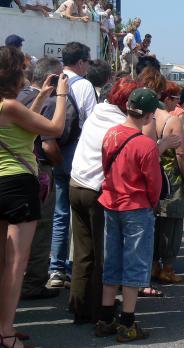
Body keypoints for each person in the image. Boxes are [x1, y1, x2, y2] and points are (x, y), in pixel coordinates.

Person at [0, 45, 68, 348]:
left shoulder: (9, 108)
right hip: (17, 185)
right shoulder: (10, 106)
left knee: (2, 260)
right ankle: (6, 332)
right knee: (16, 263)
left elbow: (23, 122)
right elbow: (56, 127)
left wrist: (42, 94)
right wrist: (62, 95)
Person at [95, 88, 162, 342]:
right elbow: (153, 184)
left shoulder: (111, 133)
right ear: (148, 115)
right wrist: (152, 204)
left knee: (112, 260)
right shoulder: (146, 144)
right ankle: (127, 321)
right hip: (136, 206)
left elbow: (105, 166)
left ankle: (105, 317)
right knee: (135, 264)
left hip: (111, 202)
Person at [68, 77, 134, 324]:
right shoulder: (120, 124)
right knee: (102, 255)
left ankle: (78, 306)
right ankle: (99, 311)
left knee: (83, 253)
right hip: (96, 191)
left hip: (77, 184)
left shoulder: (97, 111)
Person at [48, 41, 97, 288]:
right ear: (80, 62)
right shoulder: (84, 85)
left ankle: (54, 268)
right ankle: (71, 267)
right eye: (87, 61)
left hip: (53, 149)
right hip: (76, 154)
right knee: (77, 214)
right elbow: (91, 125)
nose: (88, 66)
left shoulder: (53, 79)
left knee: (59, 212)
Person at [16, 57, 63, 301]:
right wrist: (59, 164)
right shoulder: (50, 101)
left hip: (18, 169)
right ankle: (33, 282)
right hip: (38, 169)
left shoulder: (17, 97)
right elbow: (49, 143)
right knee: (42, 226)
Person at [153, 81, 184, 284]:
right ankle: (167, 268)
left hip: (152, 175)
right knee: (172, 225)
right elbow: (180, 154)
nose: (179, 105)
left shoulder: (148, 117)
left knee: (154, 223)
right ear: (167, 99)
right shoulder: (173, 120)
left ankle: (152, 266)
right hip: (170, 177)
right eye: (177, 100)